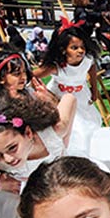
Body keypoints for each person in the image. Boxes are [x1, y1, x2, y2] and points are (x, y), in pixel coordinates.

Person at [33, 21, 101, 156]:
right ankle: (69, 155)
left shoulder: (87, 59)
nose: (80, 51)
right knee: (74, 129)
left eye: (82, 47)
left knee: (88, 127)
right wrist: (42, 91)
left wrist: (94, 89)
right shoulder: (56, 67)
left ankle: (83, 155)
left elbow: (91, 69)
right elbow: (32, 75)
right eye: (74, 48)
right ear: (63, 50)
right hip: (60, 98)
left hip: (81, 96)